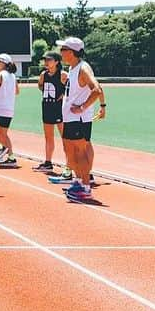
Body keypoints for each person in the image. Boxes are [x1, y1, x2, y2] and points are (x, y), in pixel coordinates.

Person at [53, 37, 106, 203]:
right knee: (70, 151)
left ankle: (85, 187)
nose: (61, 52)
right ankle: (79, 181)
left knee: (79, 151)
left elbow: (96, 89)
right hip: (71, 117)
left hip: (79, 118)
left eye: (64, 49)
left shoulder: (83, 68)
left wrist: (82, 107)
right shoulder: (73, 68)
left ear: (73, 52)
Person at [36, 51, 67, 173]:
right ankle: (48, 162)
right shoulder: (43, 74)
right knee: (48, 137)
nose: (46, 62)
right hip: (47, 107)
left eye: (49, 60)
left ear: (57, 62)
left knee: (65, 138)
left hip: (59, 109)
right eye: (45, 60)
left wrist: (63, 95)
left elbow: (72, 87)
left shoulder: (63, 75)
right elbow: (40, 86)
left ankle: (68, 164)